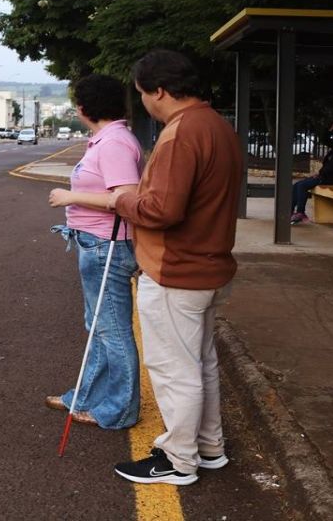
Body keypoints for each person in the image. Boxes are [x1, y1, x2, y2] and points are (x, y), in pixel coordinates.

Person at [106, 50, 243, 486]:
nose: (143, 101)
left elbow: (161, 209)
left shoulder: (181, 134)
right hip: (208, 266)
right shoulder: (217, 125)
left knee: (173, 369)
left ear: (158, 91)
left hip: (175, 270)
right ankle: (209, 448)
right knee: (200, 364)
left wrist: (121, 200)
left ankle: (178, 460)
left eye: (143, 93)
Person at [46, 74, 143, 430]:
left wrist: (71, 197)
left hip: (107, 245)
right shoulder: (107, 139)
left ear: (85, 108)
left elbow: (126, 197)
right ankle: (86, 396)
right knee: (100, 327)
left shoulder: (114, 143)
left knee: (112, 330)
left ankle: (119, 409)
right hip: (97, 242)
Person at [290, 123, 333, 225]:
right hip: (326, 175)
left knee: (302, 185)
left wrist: (320, 174)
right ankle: (289, 211)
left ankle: (300, 212)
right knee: (296, 185)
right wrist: (331, 129)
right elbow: (324, 140)